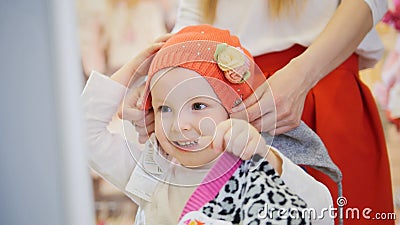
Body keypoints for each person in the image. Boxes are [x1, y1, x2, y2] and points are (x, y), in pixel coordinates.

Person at [122, 1, 394, 224]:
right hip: (226, 97)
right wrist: (165, 81)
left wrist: (303, 75)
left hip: (324, 83)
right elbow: (194, 14)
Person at [82, 25, 336, 224]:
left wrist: (267, 159)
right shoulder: (153, 174)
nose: (179, 125)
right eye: (164, 109)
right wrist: (134, 69)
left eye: (198, 106)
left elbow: (320, 213)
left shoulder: (253, 168)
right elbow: (84, 137)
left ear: (236, 110)